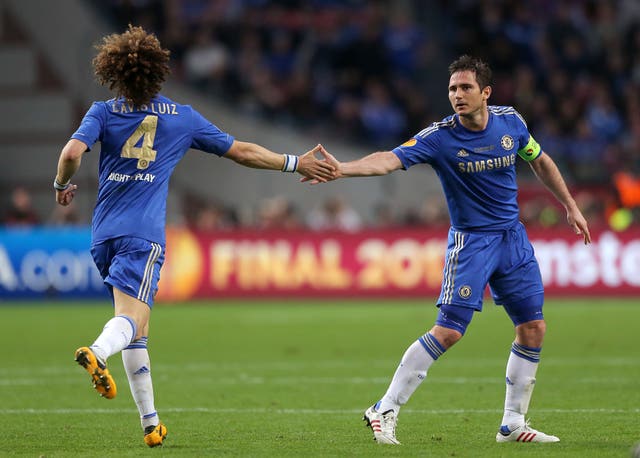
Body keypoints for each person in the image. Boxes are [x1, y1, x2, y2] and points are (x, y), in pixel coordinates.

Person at [53, 25, 334, 448]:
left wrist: (61, 186)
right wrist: (295, 163)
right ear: (158, 72)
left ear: (115, 72)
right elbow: (242, 151)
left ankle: (151, 425)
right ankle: (97, 350)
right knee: (132, 322)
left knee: (136, 327)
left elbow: (72, 154)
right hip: (143, 236)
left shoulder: (102, 111)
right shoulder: (182, 117)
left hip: (103, 235)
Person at [313, 55, 591, 445]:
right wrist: (344, 168)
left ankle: (512, 423)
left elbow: (540, 160)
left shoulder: (511, 122)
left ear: (486, 93)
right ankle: (384, 407)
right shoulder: (438, 138)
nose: (457, 95)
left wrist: (570, 205)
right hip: (472, 243)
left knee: (533, 327)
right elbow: (389, 160)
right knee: (449, 331)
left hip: (512, 239)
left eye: (465, 88)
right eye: (452, 89)